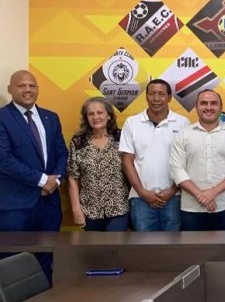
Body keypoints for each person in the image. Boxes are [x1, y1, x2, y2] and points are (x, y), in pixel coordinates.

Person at [0, 70, 67, 282]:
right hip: (16, 207)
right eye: (21, 86)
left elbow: (62, 154)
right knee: (12, 263)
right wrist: (42, 180)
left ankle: (46, 299)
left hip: (49, 205)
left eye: (32, 85)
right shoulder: (2, 118)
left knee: (47, 260)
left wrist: (55, 181)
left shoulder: (51, 117)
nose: (28, 90)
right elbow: (3, 159)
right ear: (10, 89)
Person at [170, 90, 225, 231]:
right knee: (192, 246)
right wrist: (201, 195)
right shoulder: (183, 135)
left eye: (214, 103)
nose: (209, 107)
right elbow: (177, 169)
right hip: (192, 208)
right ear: (196, 107)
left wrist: (213, 192)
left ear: (221, 107)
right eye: (204, 103)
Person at [119, 79, 189, 231]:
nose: (156, 98)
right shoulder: (132, 123)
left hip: (174, 197)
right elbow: (127, 162)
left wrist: (173, 190)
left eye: (161, 94)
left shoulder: (183, 123)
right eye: (152, 94)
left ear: (169, 97)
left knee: (173, 244)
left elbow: (187, 161)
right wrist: (142, 192)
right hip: (141, 199)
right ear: (146, 96)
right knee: (144, 245)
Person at [67, 97, 130, 231]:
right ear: (86, 118)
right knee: (94, 245)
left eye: (100, 112)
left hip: (118, 208)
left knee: (114, 244)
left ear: (109, 115)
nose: (96, 117)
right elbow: (73, 177)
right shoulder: (78, 142)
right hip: (90, 211)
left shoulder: (121, 138)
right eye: (91, 114)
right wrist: (76, 209)